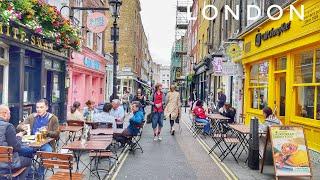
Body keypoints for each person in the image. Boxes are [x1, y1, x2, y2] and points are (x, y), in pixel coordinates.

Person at [16, 99, 60, 177]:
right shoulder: (32, 116)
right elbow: (19, 126)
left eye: (41, 107)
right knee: (19, 150)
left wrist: (46, 132)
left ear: (46, 108)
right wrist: (23, 127)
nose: (39, 109)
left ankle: (39, 174)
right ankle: (30, 172)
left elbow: (57, 134)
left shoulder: (53, 118)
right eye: (37, 107)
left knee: (48, 151)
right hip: (31, 143)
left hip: (45, 143)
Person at [0, 105, 32, 179]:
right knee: (29, 159)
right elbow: (16, 147)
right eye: (9, 113)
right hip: (7, 163)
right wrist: (18, 137)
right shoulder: (8, 126)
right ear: (5, 114)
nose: (10, 115)